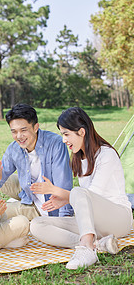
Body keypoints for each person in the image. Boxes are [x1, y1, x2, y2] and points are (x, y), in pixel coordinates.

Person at [30, 107, 133, 270]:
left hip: (119, 219)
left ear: (81, 132)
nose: (64, 140)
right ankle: (97, 245)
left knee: (78, 191)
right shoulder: (79, 159)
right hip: (95, 224)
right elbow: (86, 201)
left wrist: (59, 192)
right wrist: (66, 199)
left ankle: (86, 248)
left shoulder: (106, 154)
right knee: (37, 224)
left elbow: (91, 195)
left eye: (66, 134)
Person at [0, 103, 74, 220]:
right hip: (28, 191)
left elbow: (63, 185)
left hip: (41, 207)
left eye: (23, 130)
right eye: (14, 131)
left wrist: (64, 220)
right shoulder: (14, 148)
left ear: (36, 127)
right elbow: (0, 177)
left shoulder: (55, 144)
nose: (19, 136)